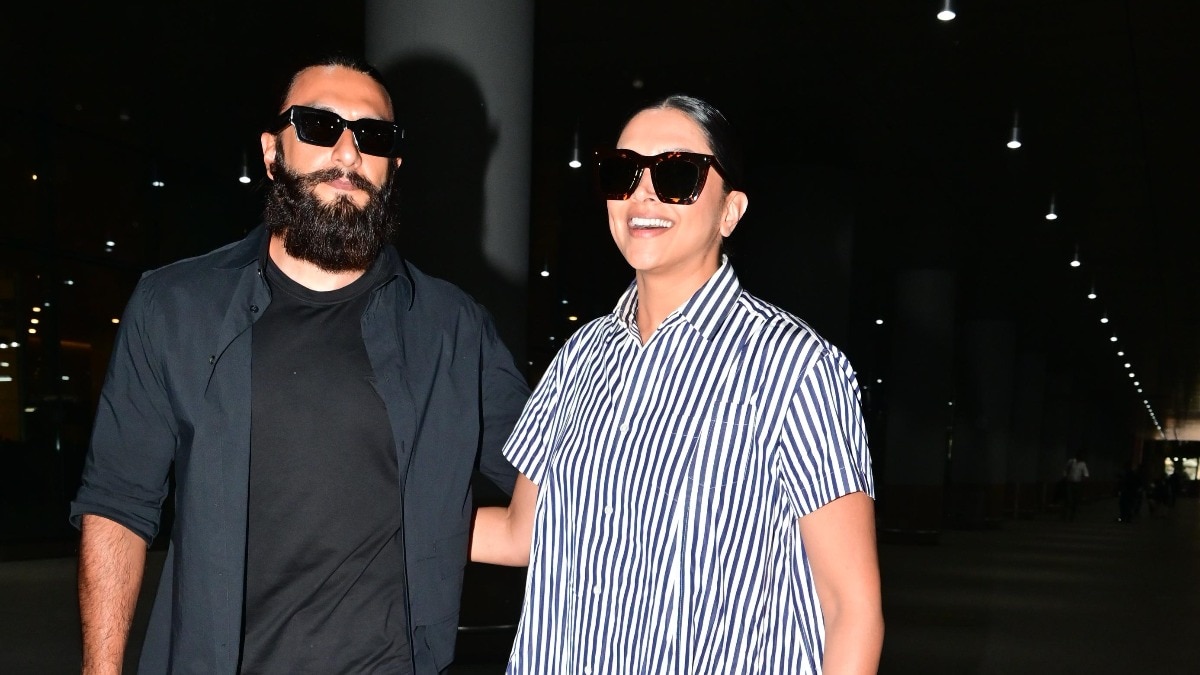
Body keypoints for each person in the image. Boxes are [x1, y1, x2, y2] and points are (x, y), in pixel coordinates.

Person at [70, 55, 530, 675]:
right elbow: (117, 506)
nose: (346, 153)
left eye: (373, 137)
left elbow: (551, 501)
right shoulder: (175, 306)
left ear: (393, 166)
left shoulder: (452, 327)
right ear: (271, 151)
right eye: (318, 125)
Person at [471, 95, 883, 674]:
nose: (643, 193)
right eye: (622, 172)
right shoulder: (579, 359)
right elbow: (522, 534)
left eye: (676, 175)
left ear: (730, 211)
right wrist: (378, 512)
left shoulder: (795, 367)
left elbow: (851, 608)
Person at [1062, 452, 1090, 521]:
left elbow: (1086, 474)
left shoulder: (1083, 464)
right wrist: (1065, 477)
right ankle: (1065, 515)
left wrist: (1083, 480)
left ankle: (1071, 516)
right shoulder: (1071, 461)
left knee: (1075, 500)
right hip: (1069, 483)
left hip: (1077, 484)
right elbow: (1065, 469)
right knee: (1068, 499)